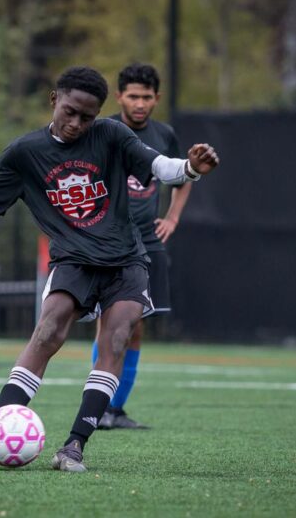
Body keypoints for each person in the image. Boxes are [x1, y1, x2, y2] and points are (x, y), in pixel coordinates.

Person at [0, 66, 218, 473]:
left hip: (125, 259)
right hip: (73, 259)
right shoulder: (25, 153)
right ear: (53, 99)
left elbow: (161, 167)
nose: (77, 123)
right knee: (48, 330)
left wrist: (189, 168)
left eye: (88, 116)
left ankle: (74, 446)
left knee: (117, 338)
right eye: (71, 111)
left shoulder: (112, 136)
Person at [93, 63, 191, 430]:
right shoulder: (101, 130)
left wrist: (173, 217)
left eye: (146, 97)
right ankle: (97, 405)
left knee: (137, 325)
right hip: (108, 240)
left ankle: (115, 410)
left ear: (156, 99)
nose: (139, 103)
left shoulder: (164, 134)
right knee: (108, 321)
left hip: (149, 242)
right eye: (132, 96)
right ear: (119, 96)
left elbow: (185, 176)